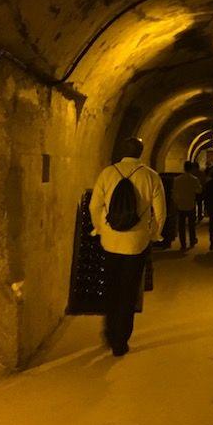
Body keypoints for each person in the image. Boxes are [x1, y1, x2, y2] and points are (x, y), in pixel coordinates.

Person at [90, 137, 166, 356]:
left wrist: (100, 228)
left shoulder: (108, 173)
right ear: (141, 152)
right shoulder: (150, 176)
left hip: (111, 241)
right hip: (137, 242)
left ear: (122, 150)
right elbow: (160, 212)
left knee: (111, 286)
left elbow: (95, 205)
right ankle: (121, 340)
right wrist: (154, 234)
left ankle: (110, 330)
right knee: (129, 291)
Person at [172, 161, 202, 251]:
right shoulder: (194, 179)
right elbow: (199, 191)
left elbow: (174, 192)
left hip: (180, 204)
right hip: (190, 204)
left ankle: (183, 244)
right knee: (191, 225)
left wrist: (176, 201)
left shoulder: (177, 179)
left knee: (181, 226)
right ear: (191, 168)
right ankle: (192, 240)